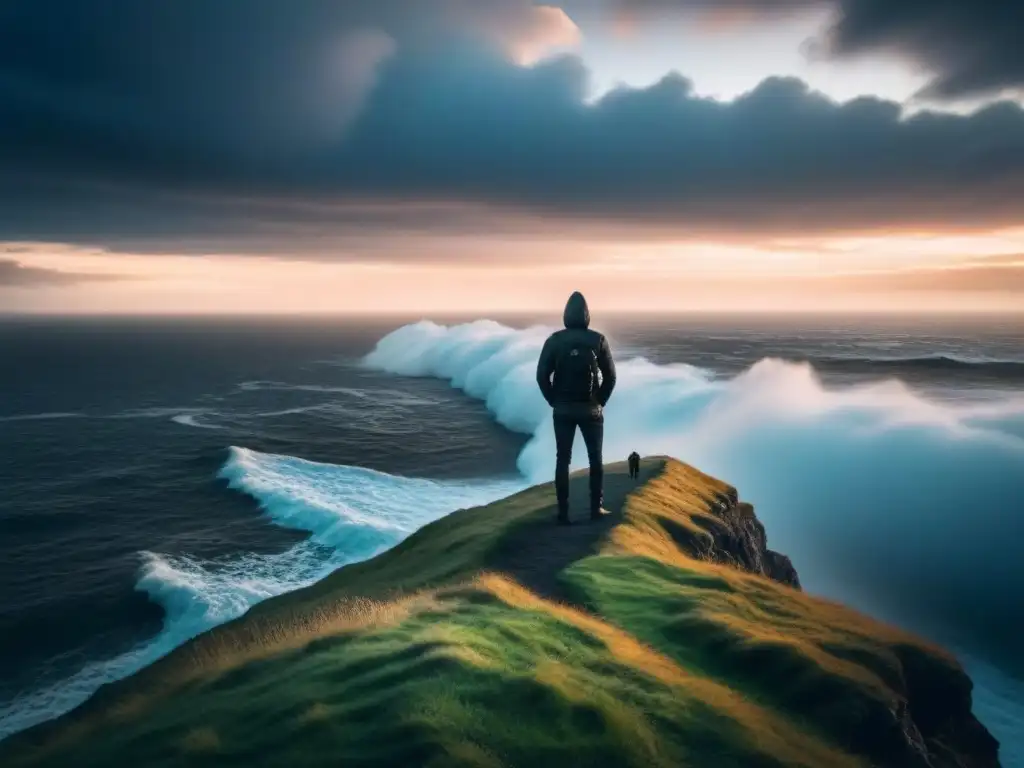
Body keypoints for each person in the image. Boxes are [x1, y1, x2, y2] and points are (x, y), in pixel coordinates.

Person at [536, 291, 617, 525]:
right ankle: (596, 509)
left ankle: (563, 513)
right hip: (591, 410)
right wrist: (599, 402)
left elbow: (542, 376)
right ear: (587, 315)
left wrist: (554, 400)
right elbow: (611, 377)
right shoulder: (598, 340)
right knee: (595, 459)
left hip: (562, 410)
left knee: (563, 459)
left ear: (566, 315)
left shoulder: (554, 341)